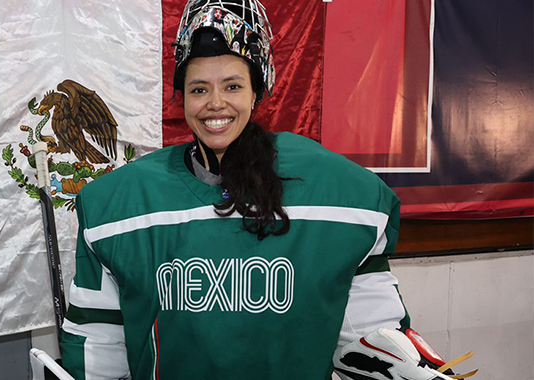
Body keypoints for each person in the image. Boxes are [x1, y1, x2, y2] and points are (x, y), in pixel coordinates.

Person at [59, 1, 474, 379]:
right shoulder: (123, 203)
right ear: (181, 96)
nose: (215, 103)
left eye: (233, 86)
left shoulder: (338, 191)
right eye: (199, 88)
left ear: (258, 90)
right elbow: (100, 348)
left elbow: (366, 335)